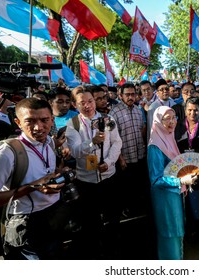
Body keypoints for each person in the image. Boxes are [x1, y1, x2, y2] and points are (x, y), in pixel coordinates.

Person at [0, 98, 69, 259]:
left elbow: (46, 172)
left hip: (53, 215)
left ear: (52, 120)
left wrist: (59, 172)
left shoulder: (49, 142)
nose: (39, 127)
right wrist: (31, 187)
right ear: (18, 123)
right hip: (26, 223)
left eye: (44, 120)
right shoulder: (6, 154)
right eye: (30, 121)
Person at [65, 86, 122, 259]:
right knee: (91, 222)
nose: (88, 105)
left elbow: (116, 143)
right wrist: (92, 142)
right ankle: (96, 254)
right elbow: (74, 151)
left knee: (112, 217)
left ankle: (113, 251)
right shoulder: (73, 124)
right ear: (75, 105)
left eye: (90, 101)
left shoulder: (108, 119)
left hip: (109, 177)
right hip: (86, 181)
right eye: (82, 103)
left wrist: (110, 162)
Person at [147, 106, 197, 259]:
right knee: (170, 233)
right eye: (166, 118)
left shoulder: (169, 138)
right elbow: (156, 180)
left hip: (175, 194)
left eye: (173, 117)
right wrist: (180, 180)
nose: (171, 122)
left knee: (177, 231)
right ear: (157, 121)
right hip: (165, 198)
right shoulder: (155, 145)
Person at [174, 98, 199, 245]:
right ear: (185, 111)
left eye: (195, 110)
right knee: (185, 206)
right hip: (182, 173)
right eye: (189, 110)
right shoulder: (177, 127)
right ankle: (190, 234)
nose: (192, 113)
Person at [109, 83, 148, 217]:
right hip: (125, 158)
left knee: (137, 185)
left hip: (139, 155)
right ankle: (127, 211)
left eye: (133, 94)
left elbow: (142, 131)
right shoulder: (114, 113)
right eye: (127, 94)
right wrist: (120, 158)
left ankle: (137, 209)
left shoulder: (138, 110)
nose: (131, 97)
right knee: (126, 187)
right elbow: (112, 139)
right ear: (120, 96)